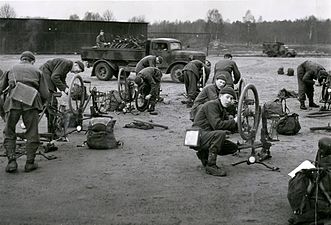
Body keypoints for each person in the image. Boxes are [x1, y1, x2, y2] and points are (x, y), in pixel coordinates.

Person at [0, 51, 50, 173]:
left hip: (13, 102)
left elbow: (0, 88)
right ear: (32, 61)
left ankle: (12, 162)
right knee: (32, 132)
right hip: (31, 103)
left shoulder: (11, 69)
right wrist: (41, 103)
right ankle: (29, 163)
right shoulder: (38, 71)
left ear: (21, 59)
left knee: (9, 131)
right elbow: (45, 94)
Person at [192, 87, 238, 177]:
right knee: (220, 134)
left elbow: (229, 128)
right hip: (196, 135)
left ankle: (203, 154)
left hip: (205, 134)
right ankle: (211, 165)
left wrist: (238, 121)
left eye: (231, 99)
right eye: (227, 97)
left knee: (232, 147)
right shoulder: (212, 105)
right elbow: (218, 125)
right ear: (220, 96)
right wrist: (234, 121)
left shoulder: (221, 109)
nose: (229, 100)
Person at [39, 58, 84, 134]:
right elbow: (54, 77)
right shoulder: (67, 63)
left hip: (46, 74)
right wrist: (64, 89)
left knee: (51, 103)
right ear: (76, 65)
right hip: (45, 74)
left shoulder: (67, 67)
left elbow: (62, 79)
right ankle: (51, 132)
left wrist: (67, 89)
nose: (76, 73)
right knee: (51, 103)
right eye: (78, 70)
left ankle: (52, 130)